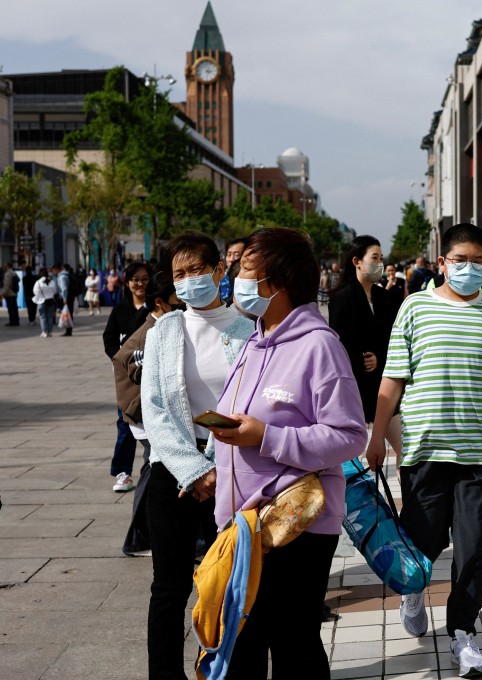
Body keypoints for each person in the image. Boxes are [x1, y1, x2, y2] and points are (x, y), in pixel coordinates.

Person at [366, 223, 482, 679]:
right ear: (442, 263)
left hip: (480, 453)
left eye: (479, 261)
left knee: (476, 545)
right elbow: (393, 377)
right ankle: (414, 589)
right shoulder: (414, 308)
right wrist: (377, 435)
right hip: (424, 449)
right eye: (461, 260)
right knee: (425, 539)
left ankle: (462, 632)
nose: (469, 268)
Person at [206, 227, 367, 678]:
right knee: (242, 642)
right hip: (245, 524)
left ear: (277, 283)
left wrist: (266, 436)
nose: (236, 278)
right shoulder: (251, 343)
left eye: (246, 271)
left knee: (293, 642)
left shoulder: (320, 345)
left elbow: (349, 435)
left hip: (297, 523)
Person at [140, 231, 254, 680]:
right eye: (179, 274)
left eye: (196, 270)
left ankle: (229, 670)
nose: (189, 280)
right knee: (168, 589)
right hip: (174, 477)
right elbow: (155, 410)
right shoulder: (165, 330)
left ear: (219, 271)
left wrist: (217, 465)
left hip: (235, 474)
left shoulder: (249, 330)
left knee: (231, 585)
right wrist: (195, 469)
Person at [114, 277, 183, 556]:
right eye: (177, 301)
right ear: (160, 303)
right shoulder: (150, 332)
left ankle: (141, 537)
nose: (182, 307)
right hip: (145, 417)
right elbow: (136, 369)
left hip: (147, 416)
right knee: (153, 474)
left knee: (151, 472)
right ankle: (139, 537)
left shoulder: (158, 326)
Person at [328, 235, 402, 455]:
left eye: (381, 258)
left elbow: (394, 337)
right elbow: (338, 342)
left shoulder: (385, 297)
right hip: (354, 388)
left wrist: (379, 356)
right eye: (374, 257)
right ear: (356, 261)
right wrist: (360, 359)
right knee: (351, 456)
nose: (379, 263)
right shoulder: (343, 298)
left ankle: (407, 487)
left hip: (384, 386)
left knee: (406, 450)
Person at [103, 261, 155, 493]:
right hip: (127, 381)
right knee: (125, 424)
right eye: (135, 279)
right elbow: (109, 338)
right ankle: (123, 472)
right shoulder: (120, 310)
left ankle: (152, 468)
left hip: (152, 377)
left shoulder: (156, 307)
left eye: (144, 279)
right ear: (127, 282)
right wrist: (121, 359)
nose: (140, 284)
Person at [218, 237, 247, 303]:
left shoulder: (249, 281)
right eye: (229, 255)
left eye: (237, 255)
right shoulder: (218, 279)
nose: (231, 259)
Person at [32, 269, 58, 337]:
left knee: (42, 317)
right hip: (51, 301)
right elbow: (55, 291)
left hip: (41, 301)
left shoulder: (38, 282)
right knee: (50, 317)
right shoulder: (52, 282)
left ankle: (44, 331)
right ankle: (50, 332)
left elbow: (35, 291)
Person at [2, 262, 20, 326]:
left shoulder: (7, 274)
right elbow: (18, 280)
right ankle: (16, 321)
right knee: (15, 309)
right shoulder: (13, 272)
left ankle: (12, 322)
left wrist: (4, 293)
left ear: (7, 266)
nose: (3, 267)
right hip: (14, 293)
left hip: (9, 294)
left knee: (11, 309)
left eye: (4, 265)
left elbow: (7, 285)